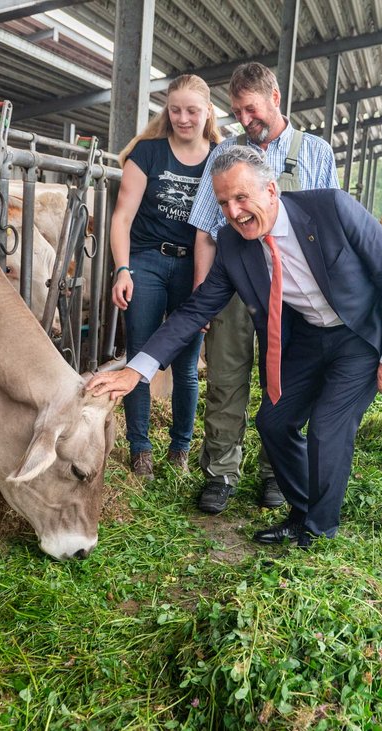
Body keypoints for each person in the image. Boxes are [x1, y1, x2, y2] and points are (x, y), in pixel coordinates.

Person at [87, 146, 382, 546]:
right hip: (309, 336)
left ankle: (319, 530)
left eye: (242, 198)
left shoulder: (332, 208)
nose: (234, 211)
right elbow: (195, 311)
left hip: (361, 335)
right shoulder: (234, 244)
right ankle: (300, 511)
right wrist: (136, 370)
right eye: (224, 202)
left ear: (271, 190)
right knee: (274, 422)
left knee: (327, 429)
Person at [185, 62, 339, 515]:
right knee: (226, 380)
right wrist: (201, 300)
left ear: (275, 97)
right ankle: (220, 473)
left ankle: (277, 473)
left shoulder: (315, 151)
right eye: (236, 112)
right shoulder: (224, 153)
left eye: (250, 109)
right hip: (234, 287)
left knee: (285, 384)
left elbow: (330, 229)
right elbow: (206, 231)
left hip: (293, 292)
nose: (244, 120)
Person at [109, 74, 222, 477]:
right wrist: (123, 269)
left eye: (192, 110)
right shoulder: (148, 153)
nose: (183, 118)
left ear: (207, 111)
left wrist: (203, 290)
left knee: (187, 364)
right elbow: (122, 217)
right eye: (175, 109)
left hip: (195, 264)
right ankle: (140, 450)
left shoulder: (220, 158)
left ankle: (180, 450)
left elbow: (211, 232)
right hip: (147, 261)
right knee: (140, 354)